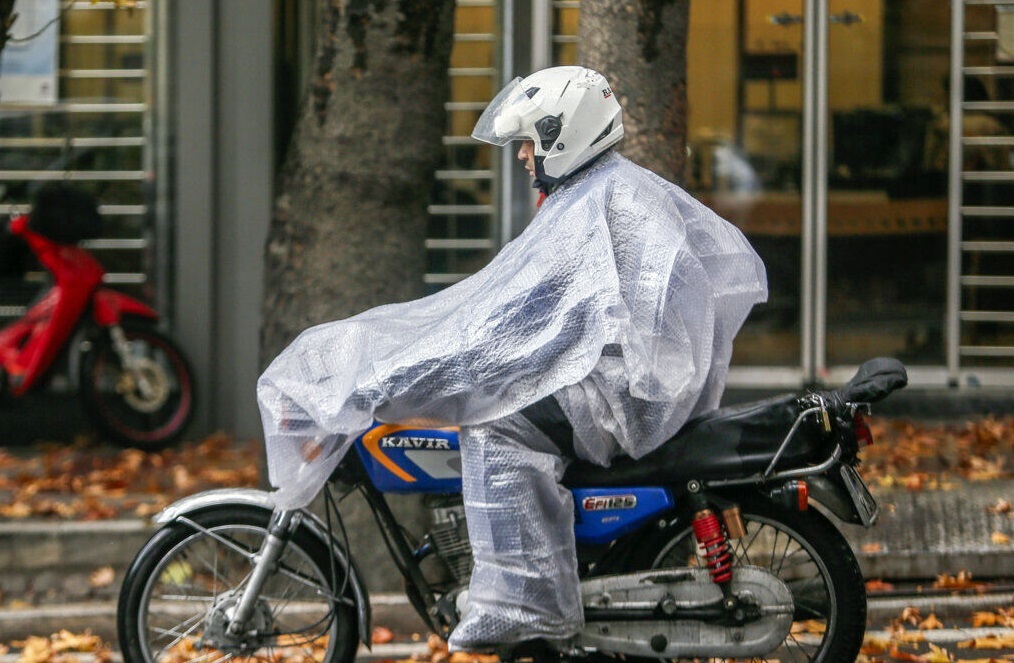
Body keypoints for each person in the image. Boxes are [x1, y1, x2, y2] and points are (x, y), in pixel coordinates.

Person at [256, 66, 767, 656]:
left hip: (623, 396)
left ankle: (527, 608)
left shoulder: (591, 204)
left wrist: (388, 377)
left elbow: (507, 322)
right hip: (633, 383)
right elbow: (518, 313)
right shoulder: (602, 190)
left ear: (561, 135)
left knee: (493, 420)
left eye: (528, 141)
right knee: (495, 395)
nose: (522, 155)